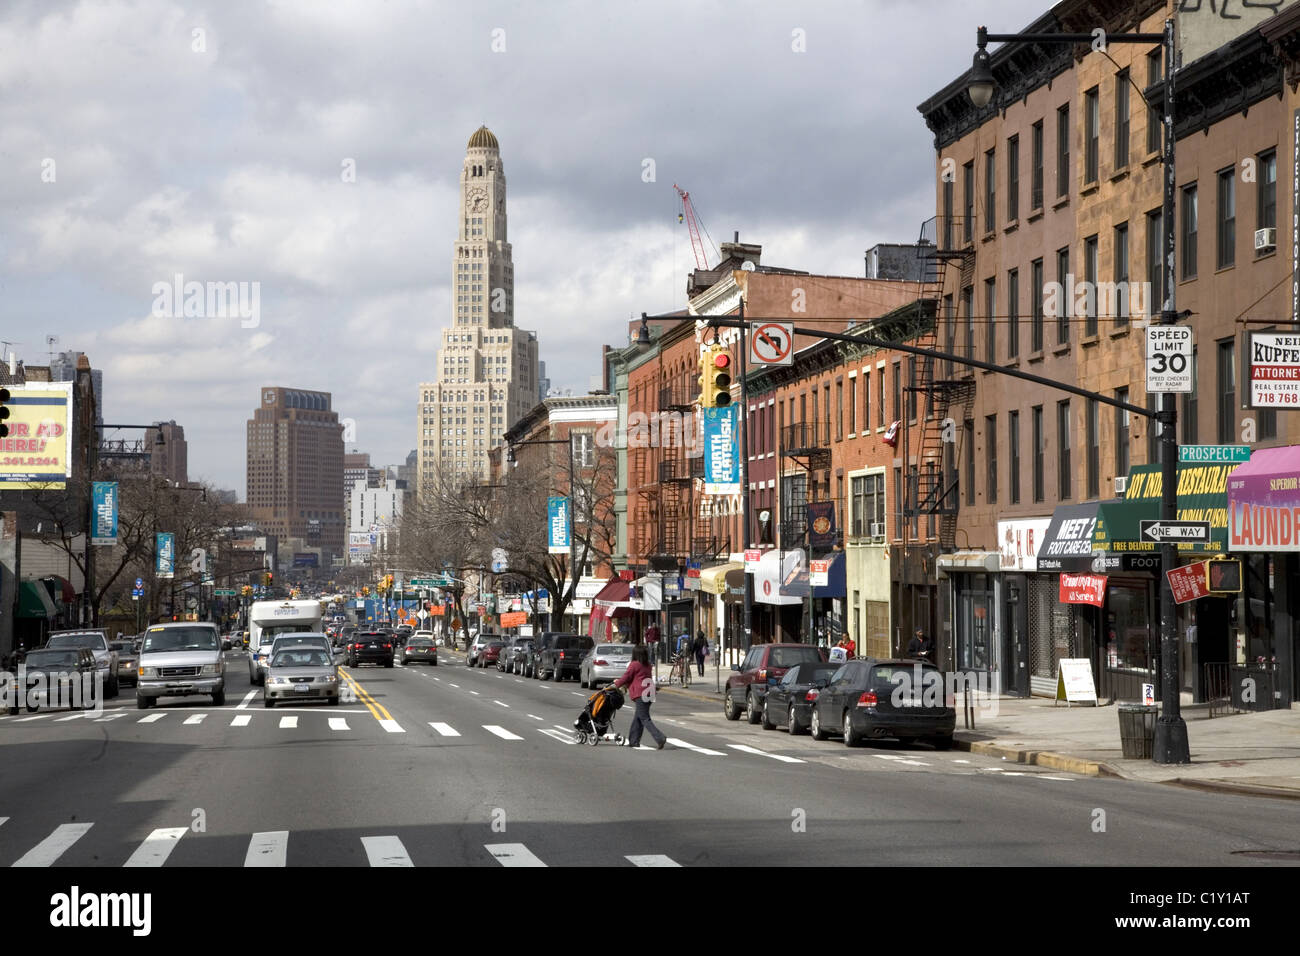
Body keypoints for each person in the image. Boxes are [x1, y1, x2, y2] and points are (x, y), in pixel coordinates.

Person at [610, 644, 666, 749]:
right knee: (638, 717)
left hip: (641, 693)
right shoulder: (648, 665)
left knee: (644, 718)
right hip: (650, 693)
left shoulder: (634, 664)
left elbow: (627, 677)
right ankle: (634, 741)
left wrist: (616, 684)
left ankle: (660, 737)